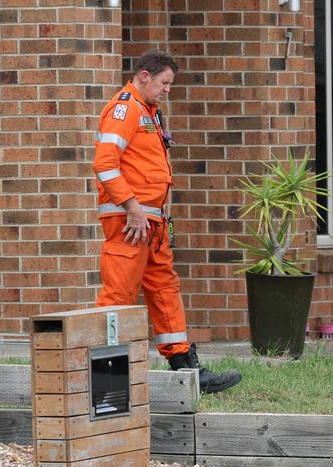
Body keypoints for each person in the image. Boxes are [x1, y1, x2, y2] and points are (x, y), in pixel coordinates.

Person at [92, 50, 241, 394]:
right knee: (119, 296)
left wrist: (159, 217)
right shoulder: (125, 109)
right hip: (131, 223)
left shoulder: (150, 113)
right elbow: (104, 164)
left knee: (164, 291)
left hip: (152, 225)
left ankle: (187, 370)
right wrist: (132, 207)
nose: (167, 90)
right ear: (145, 76)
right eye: (164, 83)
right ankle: (104, 379)